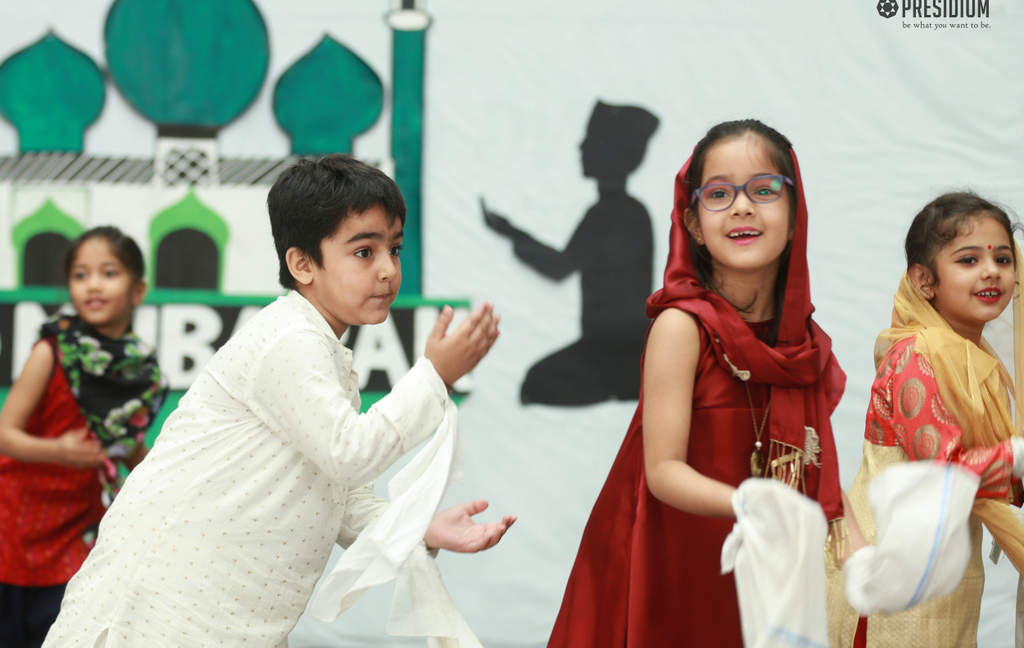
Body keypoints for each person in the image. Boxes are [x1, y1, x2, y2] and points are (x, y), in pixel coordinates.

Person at [42, 154, 512, 647]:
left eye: (393, 249)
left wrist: (423, 529)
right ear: (302, 264)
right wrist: (435, 376)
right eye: (363, 252)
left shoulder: (319, 347)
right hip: (161, 610)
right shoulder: (288, 338)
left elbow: (342, 499)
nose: (387, 271)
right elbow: (349, 454)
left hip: (222, 619)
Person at [547, 119, 847, 647]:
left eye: (764, 189)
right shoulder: (681, 327)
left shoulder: (802, 345)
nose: (742, 207)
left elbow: (814, 477)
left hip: (761, 567)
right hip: (673, 562)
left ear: (795, 213)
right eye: (719, 194)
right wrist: (753, 504)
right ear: (691, 220)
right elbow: (663, 471)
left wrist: (861, 548)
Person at [827, 192, 1024, 648]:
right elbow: (942, 474)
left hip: (943, 570)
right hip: (891, 573)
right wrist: (1016, 456)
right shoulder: (917, 354)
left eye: (1003, 258)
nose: (992, 270)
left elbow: (987, 476)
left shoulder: (976, 361)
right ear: (924, 280)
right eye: (969, 259)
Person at [0, 226, 167, 648]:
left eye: (108, 273)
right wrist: (57, 451)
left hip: (78, 536)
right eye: (80, 274)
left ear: (137, 290)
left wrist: (167, 482)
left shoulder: (140, 372)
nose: (93, 284)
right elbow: (5, 434)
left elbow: (125, 446)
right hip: (13, 527)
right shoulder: (51, 351)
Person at [482, 100, 658, 405]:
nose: (581, 147)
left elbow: (559, 266)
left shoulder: (612, 213)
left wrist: (511, 233)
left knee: (535, 385)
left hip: (617, 357)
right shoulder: (623, 211)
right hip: (615, 353)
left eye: (591, 140)